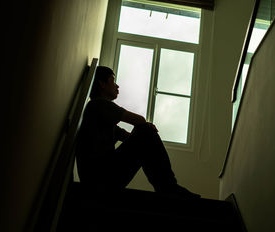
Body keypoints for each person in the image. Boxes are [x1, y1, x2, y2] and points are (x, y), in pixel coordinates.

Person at [76, 66, 200, 199]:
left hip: (101, 177)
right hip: (101, 178)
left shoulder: (102, 120)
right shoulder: (98, 104)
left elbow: (130, 138)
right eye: (113, 81)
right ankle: (169, 187)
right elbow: (139, 121)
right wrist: (146, 132)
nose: (117, 86)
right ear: (102, 84)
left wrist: (144, 138)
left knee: (145, 134)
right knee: (145, 130)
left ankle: (168, 187)